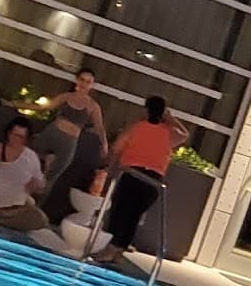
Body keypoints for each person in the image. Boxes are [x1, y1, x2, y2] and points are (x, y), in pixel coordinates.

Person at [93, 95, 187, 264]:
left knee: (120, 212)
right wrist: (172, 119)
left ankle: (112, 248)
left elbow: (116, 148)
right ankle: (119, 249)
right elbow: (185, 135)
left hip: (132, 173)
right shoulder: (169, 133)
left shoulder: (135, 128)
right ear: (163, 112)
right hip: (153, 180)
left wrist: (110, 169)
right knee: (134, 216)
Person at [37, 67, 107, 220]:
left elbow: (100, 127)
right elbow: (45, 107)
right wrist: (16, 104)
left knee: (52, 176)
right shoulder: (67, 96)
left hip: (69, 141)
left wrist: (104, 144)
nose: (84, 84)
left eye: (88, 82)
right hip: (53, 132)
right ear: (77, 80)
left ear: (92, 85)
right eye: (82, 80)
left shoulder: (93, 106)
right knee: (31, 159)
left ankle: (35, 209)